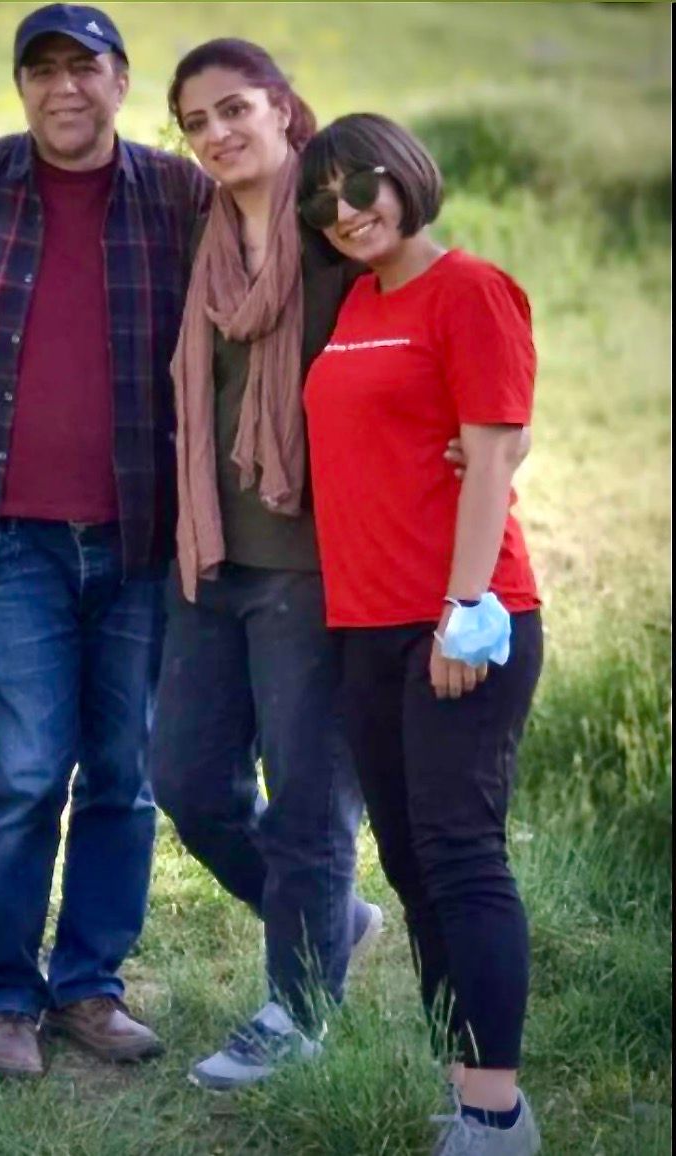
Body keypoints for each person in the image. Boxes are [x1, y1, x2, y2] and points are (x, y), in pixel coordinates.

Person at [0, 4, 213, 1077]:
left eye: (83, 68)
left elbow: (270, 267)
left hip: (138, 539)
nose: (62, 89)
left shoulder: (177, 192)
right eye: (41, 71)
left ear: (123, 81)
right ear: (22, 88)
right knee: (28, 771)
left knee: (121, 772)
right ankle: (1, 997)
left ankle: (88, 986)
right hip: (9, 536)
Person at [301, 113, 543, 1155]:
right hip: (364, 621)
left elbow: (492, 456)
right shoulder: (356, 299)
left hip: (463, 617)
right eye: (326, 201)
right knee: (407, 858)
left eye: (363, 188)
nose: (347, 213)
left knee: (461, 852)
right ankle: (471, 1093)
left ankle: (496, 1113)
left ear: (405, 176)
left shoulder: (471, 287)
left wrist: (464, 609)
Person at [149, 39, 384, 1092]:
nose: (215, 135)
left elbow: (426, 314)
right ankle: (331, 921)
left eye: (233, 109)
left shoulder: (334, 226)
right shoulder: (195, 238)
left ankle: (297, 1007)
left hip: (318, 560)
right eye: (195, 122)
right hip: (210, 552)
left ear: (284, 109)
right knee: (187, 782)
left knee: (306, 800)